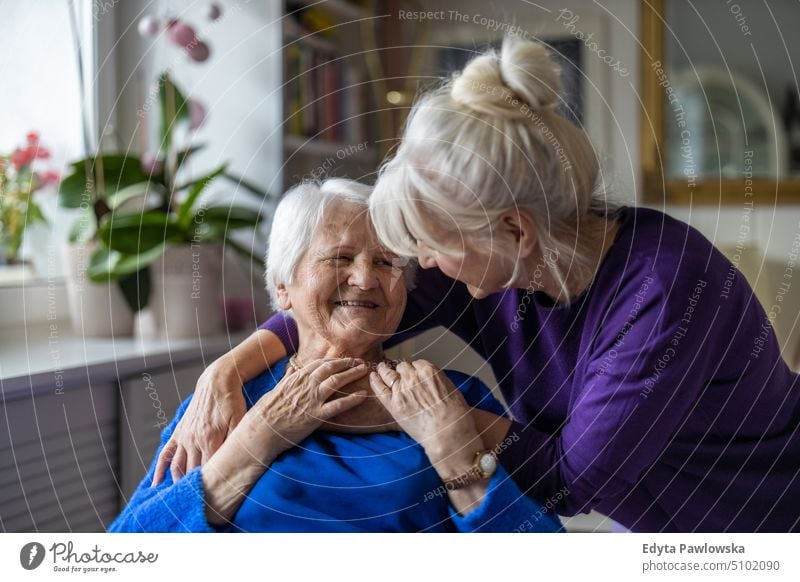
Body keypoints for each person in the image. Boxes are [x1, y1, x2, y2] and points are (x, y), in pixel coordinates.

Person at [157, 38, 800, 532]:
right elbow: (353, 307)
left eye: (430, 244)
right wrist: (227, 369)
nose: (420, 267)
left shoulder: (661, 296)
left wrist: (440, 424)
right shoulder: (497, 265)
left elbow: (568, 483)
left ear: (514, 232)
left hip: (758, 519)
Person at [111, 179, 561, 533]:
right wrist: (255, 442)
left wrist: (455, 454)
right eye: (340, 258)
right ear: (282, 287)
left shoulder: (451, 397)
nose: (366, 279)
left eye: (387, 264)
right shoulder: (227, 403)